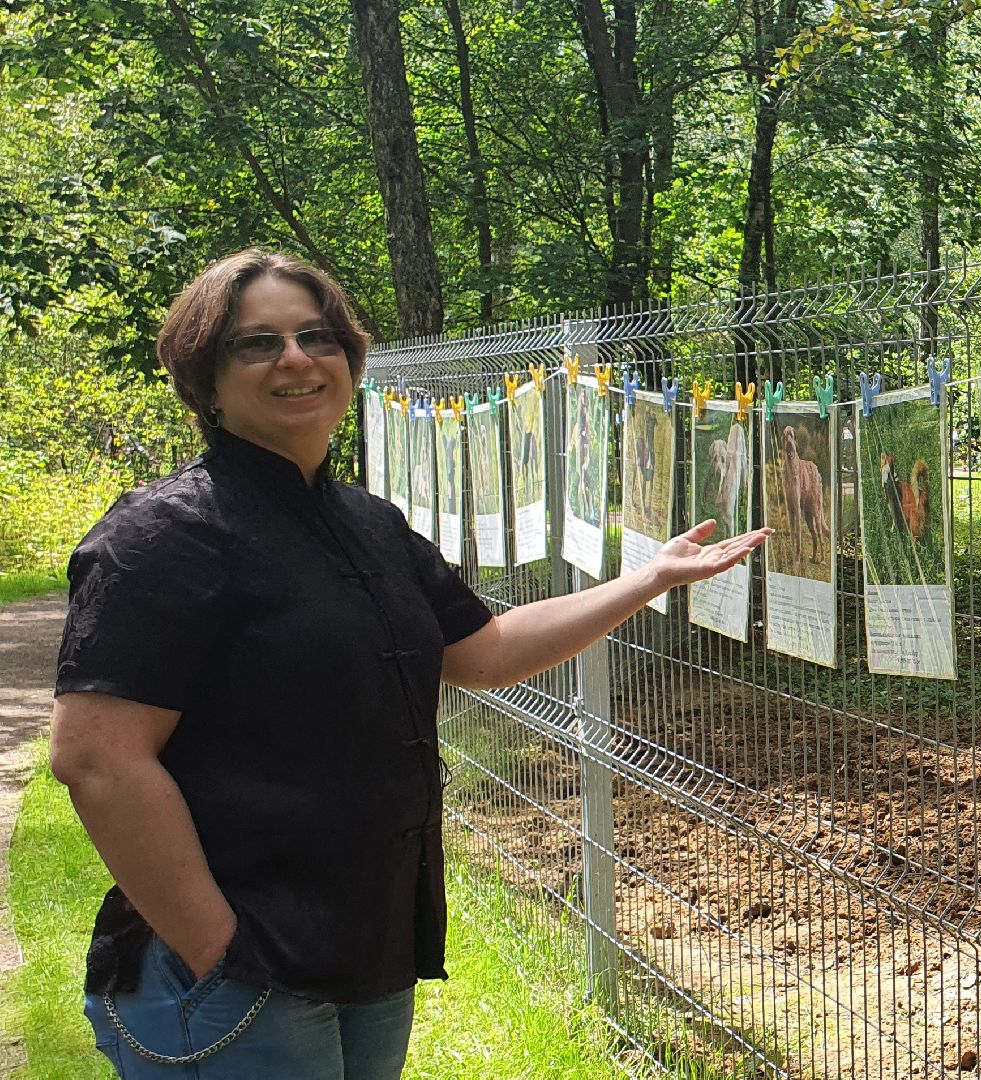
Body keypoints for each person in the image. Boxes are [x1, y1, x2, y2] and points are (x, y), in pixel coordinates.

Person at [48, 249, 769, 1079]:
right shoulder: (163, 535)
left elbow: (485, 651)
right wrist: (216, 944)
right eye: (257, 343)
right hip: (237, 968)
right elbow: (98, 758)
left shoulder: (366, 523)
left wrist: (648, 579)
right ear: (204, 377)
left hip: (365, 947)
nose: (295, 358)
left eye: (316, 336)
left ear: (349, 361)